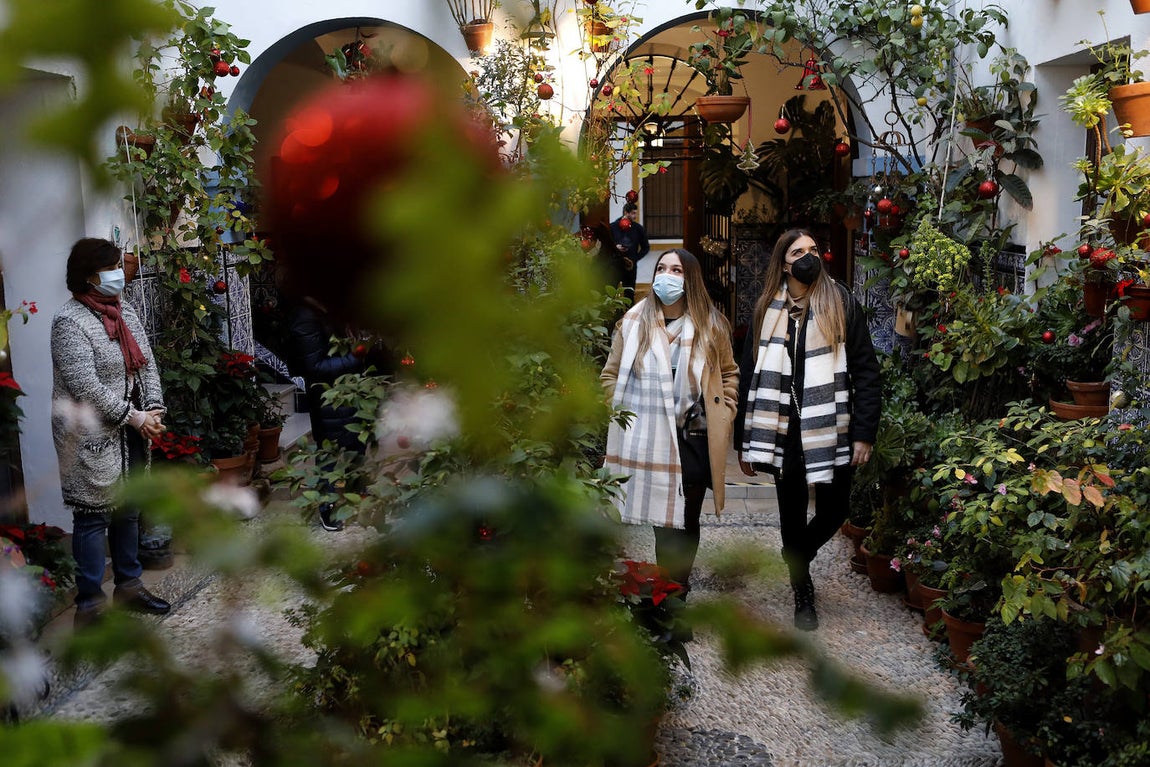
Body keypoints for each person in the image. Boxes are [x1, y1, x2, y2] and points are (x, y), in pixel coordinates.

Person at [735, 229, 881, 631]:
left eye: (814, 249)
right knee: (792, 512)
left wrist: (864, 432)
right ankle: (803, 592)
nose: (808, 256)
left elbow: (867, 371)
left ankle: (795, 555)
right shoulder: (767, 308)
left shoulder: (842, 303)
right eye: (798, 251)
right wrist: (743, 441)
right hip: (783, 428)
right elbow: (749, 374)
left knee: (836, 508)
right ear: (783, 262)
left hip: (831, 426)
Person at [601, 249, 738, 594]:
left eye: (676, 269)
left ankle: (677, 590)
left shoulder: (712, 325)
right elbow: (610, 375)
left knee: (686, 516)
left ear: (689, 278)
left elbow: (729, 372)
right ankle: (670, 595)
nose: (666, 275)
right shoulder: (632, 324)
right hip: (647, 434)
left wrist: (726, 408)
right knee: (664, 523)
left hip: (693, 434)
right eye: (661, 268)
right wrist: (620, 409)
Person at [50, 238, 171, 628]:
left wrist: (153, 408)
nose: (123, 271)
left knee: (128, 508)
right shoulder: (68, 322)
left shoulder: (124, 310)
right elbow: (85, 386)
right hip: (90, 434)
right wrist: (133, 417)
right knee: (92, 515)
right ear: (89, 276)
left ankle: (130, 586)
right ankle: (90, 606)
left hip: (133, 427)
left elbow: (147, 364)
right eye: (114, 266)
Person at [286, 296, 391, 531]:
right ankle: (328, 509)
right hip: (328, 399)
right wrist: (356, 357)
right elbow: (314, 367)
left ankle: (358, 500)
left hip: (349, 393)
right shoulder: (304, 317)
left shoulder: (327, 311)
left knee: (356, 448)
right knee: (330, 456)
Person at [608, 202, 649, 301]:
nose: (635, 216)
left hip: (630, 266)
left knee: (629, 294)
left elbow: (645, 247)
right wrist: (616, 247)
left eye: (636, 213)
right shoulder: (612, 227)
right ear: (626, 213)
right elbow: (607, 245)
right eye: (633, 213)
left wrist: (635, 259)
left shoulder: (638, 229)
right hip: (615, 265)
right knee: (610, 293)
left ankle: (628, 315)